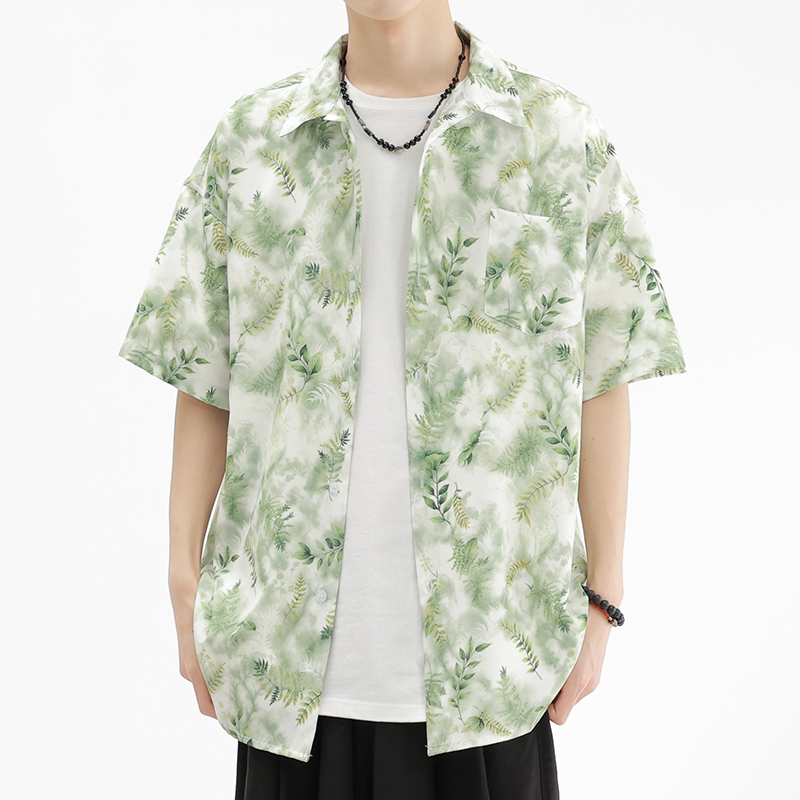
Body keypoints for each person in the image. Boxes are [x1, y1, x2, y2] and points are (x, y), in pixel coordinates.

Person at [118, 1, 687, 798]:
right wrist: (185, 586)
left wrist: (605, 599)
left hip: (492, 675)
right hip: (285, 677)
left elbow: (604, 371)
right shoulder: (252, 140)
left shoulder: (557, 137)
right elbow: (204, 372)